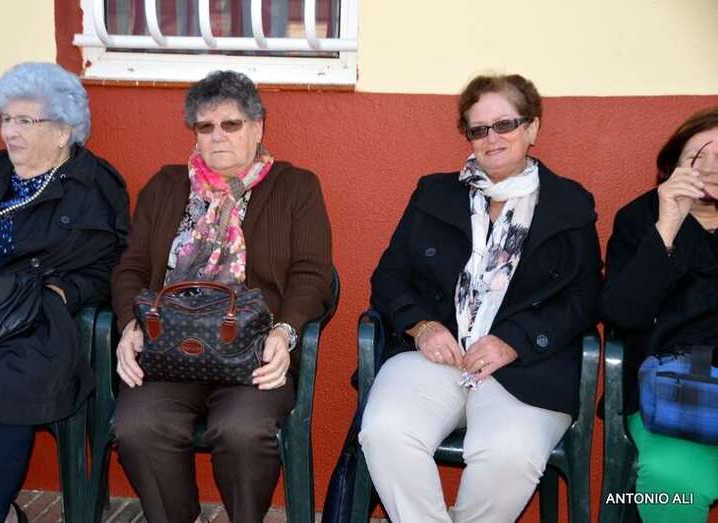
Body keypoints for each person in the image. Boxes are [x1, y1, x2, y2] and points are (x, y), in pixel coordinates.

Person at [359, 74, 602, 522]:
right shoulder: (433, 194)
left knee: (509, 455)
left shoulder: (569, 204)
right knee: (385, 432)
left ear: (532, 127)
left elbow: (585, 298)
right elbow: (389, 277)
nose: (493, 138)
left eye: (505, 124)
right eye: (479, 129)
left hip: (528, 368)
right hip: (437, 358)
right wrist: (422, 326)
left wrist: (515, 341)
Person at [111, 70, 332, 523]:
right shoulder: (166, 186)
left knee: (242, 431)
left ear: (257, 127)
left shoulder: (296, 187)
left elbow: (312, 273)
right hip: (169, 351)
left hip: (252, 355)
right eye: (205, 126)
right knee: (136, 427)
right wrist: (130, 325)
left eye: (231, 124)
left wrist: (285, 332)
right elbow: (130, 267)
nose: (217, 136)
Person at [0, 62, 129, 523]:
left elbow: (110, 265)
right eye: (5, 118)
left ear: (62, 132)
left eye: (25, 120)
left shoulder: (93, 186)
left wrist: (63, 292)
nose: (9, 132)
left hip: (26, 325)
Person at [601, 107, 718, 523]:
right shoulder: (641, 218)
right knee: (673, 484)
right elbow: (623, 314)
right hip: (677, 390)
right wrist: (667, 225)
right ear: (672, 167)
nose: (712, 168)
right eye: (698, 156)